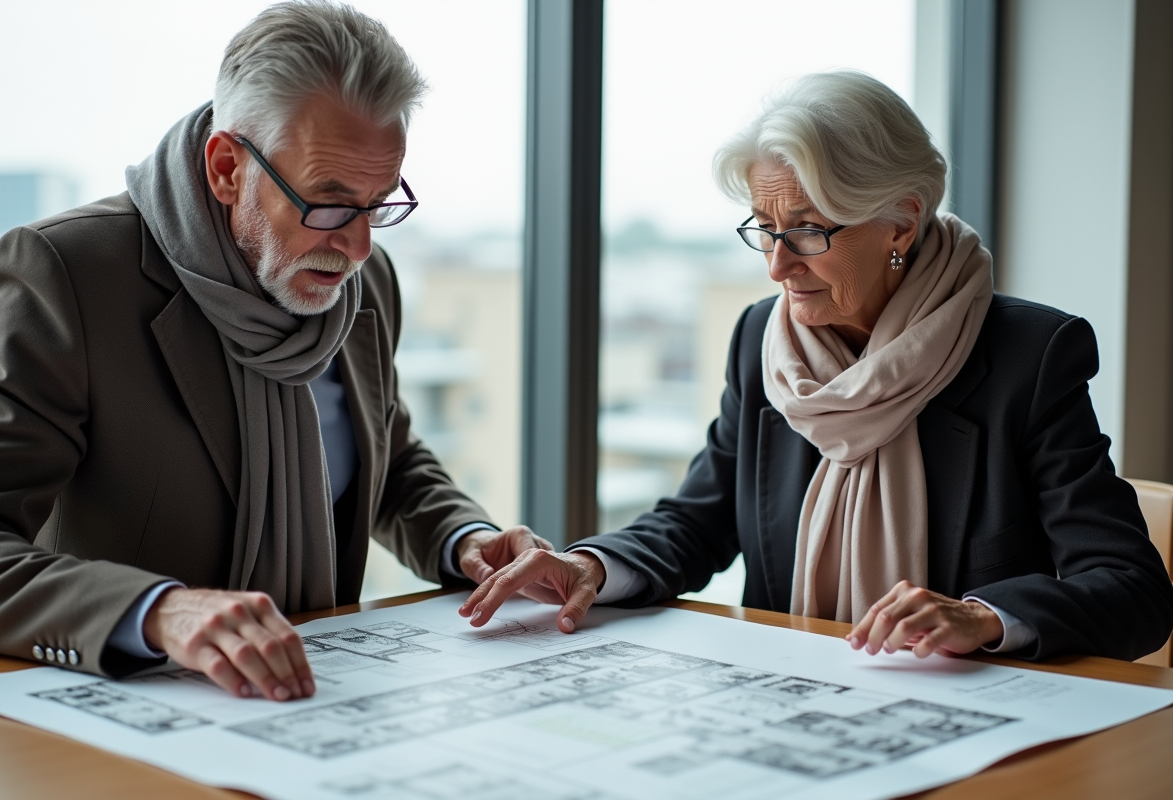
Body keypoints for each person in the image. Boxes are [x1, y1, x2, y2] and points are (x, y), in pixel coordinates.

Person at [461, 70, 1173, 662]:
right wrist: (588, 567)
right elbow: (699, 522)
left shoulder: (1030, 356)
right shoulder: (761, 342)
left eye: (806, 230)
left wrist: (983, 616)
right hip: (795, 706)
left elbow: (1132, 591)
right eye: (764, 231)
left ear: (899, 220)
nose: (776, 265)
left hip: (960, 716)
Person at [0, 0, 547, 700]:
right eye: (329, 204)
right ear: (225, 168)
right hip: (137, 712)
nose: (358, 246)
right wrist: (158, 612)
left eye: (378, 203)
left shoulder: (366, 280)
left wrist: (467, 539)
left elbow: (386, 461)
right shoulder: (68, 273)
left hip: (313, 704)